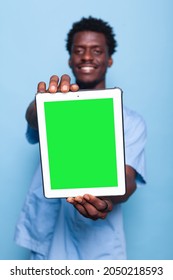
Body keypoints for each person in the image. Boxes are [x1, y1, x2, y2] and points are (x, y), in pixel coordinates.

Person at [14, 16, 146, 260]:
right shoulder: (52, 106)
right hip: (47, 239)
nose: (87, 57)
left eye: (96, 51)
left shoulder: (130, 121)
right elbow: (33, 120)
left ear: (109, 59)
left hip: (100, 247)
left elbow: (128, 182)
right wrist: (39, 107)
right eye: (79, 51)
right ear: (70, 59)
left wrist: (106, 196)